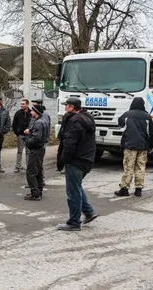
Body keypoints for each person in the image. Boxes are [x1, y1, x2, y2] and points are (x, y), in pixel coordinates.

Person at [56, 98, 99, 231]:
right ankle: (89, 211)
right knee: (77, 187)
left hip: (76, 161)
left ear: (71, 107)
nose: (65, 109)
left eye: (66, 106)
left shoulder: (74, 122)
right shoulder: (88, 118)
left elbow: (69, 143)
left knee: (73, 192)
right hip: (86, 159)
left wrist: (64, 159)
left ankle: (74, 222)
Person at [115, 97, 153, 197]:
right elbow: (152, 133)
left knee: (129, 167)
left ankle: (124, 189)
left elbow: (120, 123)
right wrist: (150, 146)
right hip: (143, 146)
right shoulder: (147, 116)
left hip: (130, 145)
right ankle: (138, 190)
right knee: (140, 167)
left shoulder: (127, 114)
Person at [24, 103, 49, 201]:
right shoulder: (43, 121)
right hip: (40, 149)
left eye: (32, 110)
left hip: (36, 149)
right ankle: (38, 191)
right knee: (38, 171)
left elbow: (37, 137)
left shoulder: (38, 122)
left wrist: (27, 142)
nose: (31, 112)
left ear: (36, 112)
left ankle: (35, 193)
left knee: (31, 172)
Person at [31, 99, 50, 185]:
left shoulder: (43, 117)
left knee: (37, 164)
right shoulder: (37, 118)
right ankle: (38, 183)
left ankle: (39, 182)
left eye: (34, 106)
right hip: (38, 141)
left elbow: (40, 132)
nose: (31, 110)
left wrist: (28, 141)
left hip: (38, 144)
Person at [12, 99, 31, 173]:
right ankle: (17, 166)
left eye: (23, 104)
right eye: (21, 104)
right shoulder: (18, 113)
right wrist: (17, 132)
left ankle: (28, 167)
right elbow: (14, 124)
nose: (22, 105)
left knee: (28, 151)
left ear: (27, 104)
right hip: (20, 135)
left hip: (29, 135)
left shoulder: (31, 113)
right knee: (19, 151)